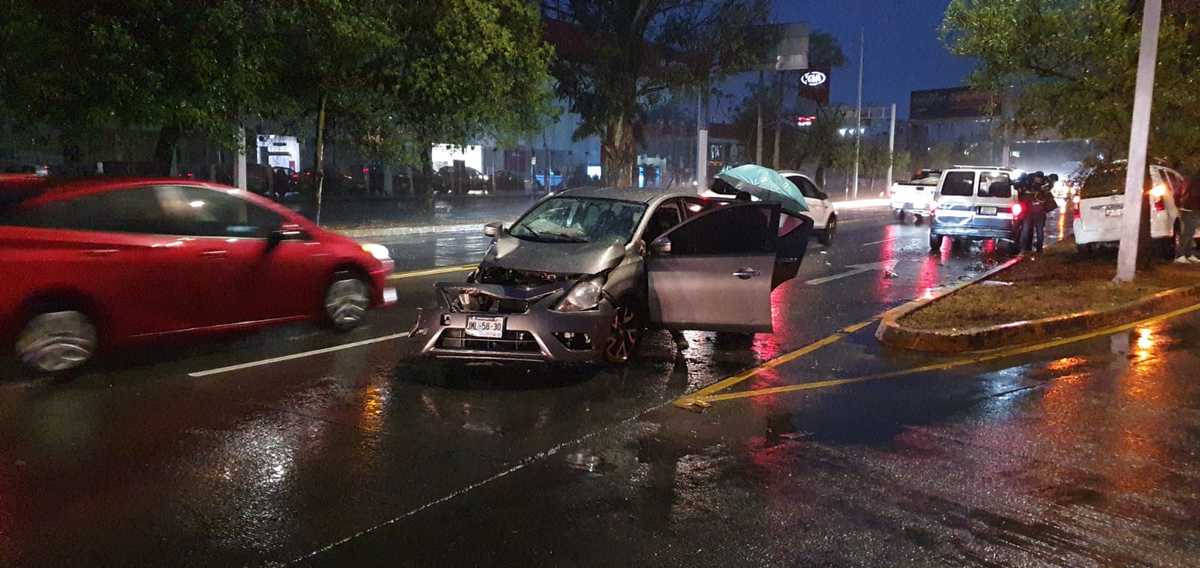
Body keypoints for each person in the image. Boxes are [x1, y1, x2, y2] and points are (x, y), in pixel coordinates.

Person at [1175, 172, 1200, 264]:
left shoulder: (1193, 180)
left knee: (1191, 232)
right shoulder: (1194, 180)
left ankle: (1188, 254)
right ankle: (1180, 255)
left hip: (1194, 209)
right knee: (1187, 232)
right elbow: (1193, 195)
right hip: (1189, 209)